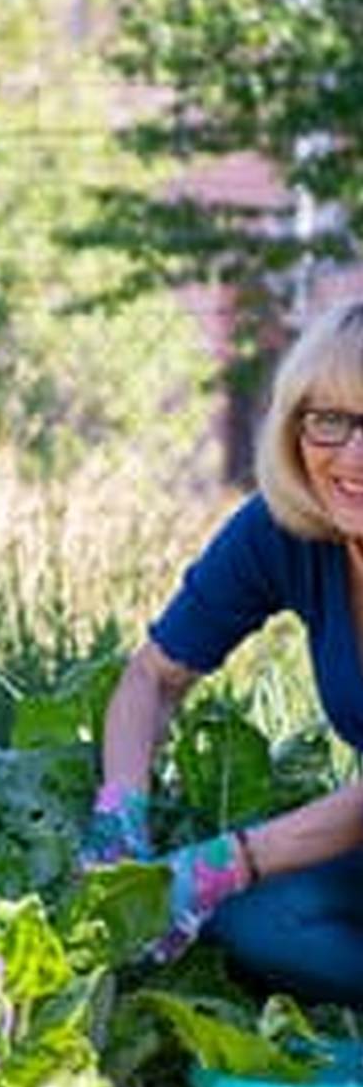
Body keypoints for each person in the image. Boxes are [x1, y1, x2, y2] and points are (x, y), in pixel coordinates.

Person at [85, 298, 363, 1006]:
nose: (353, 456)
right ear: (296, 428)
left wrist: (232, 859)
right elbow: (154, 676)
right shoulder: (284, 532)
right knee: (257, 925)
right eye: (330, 420)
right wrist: (120, 812)